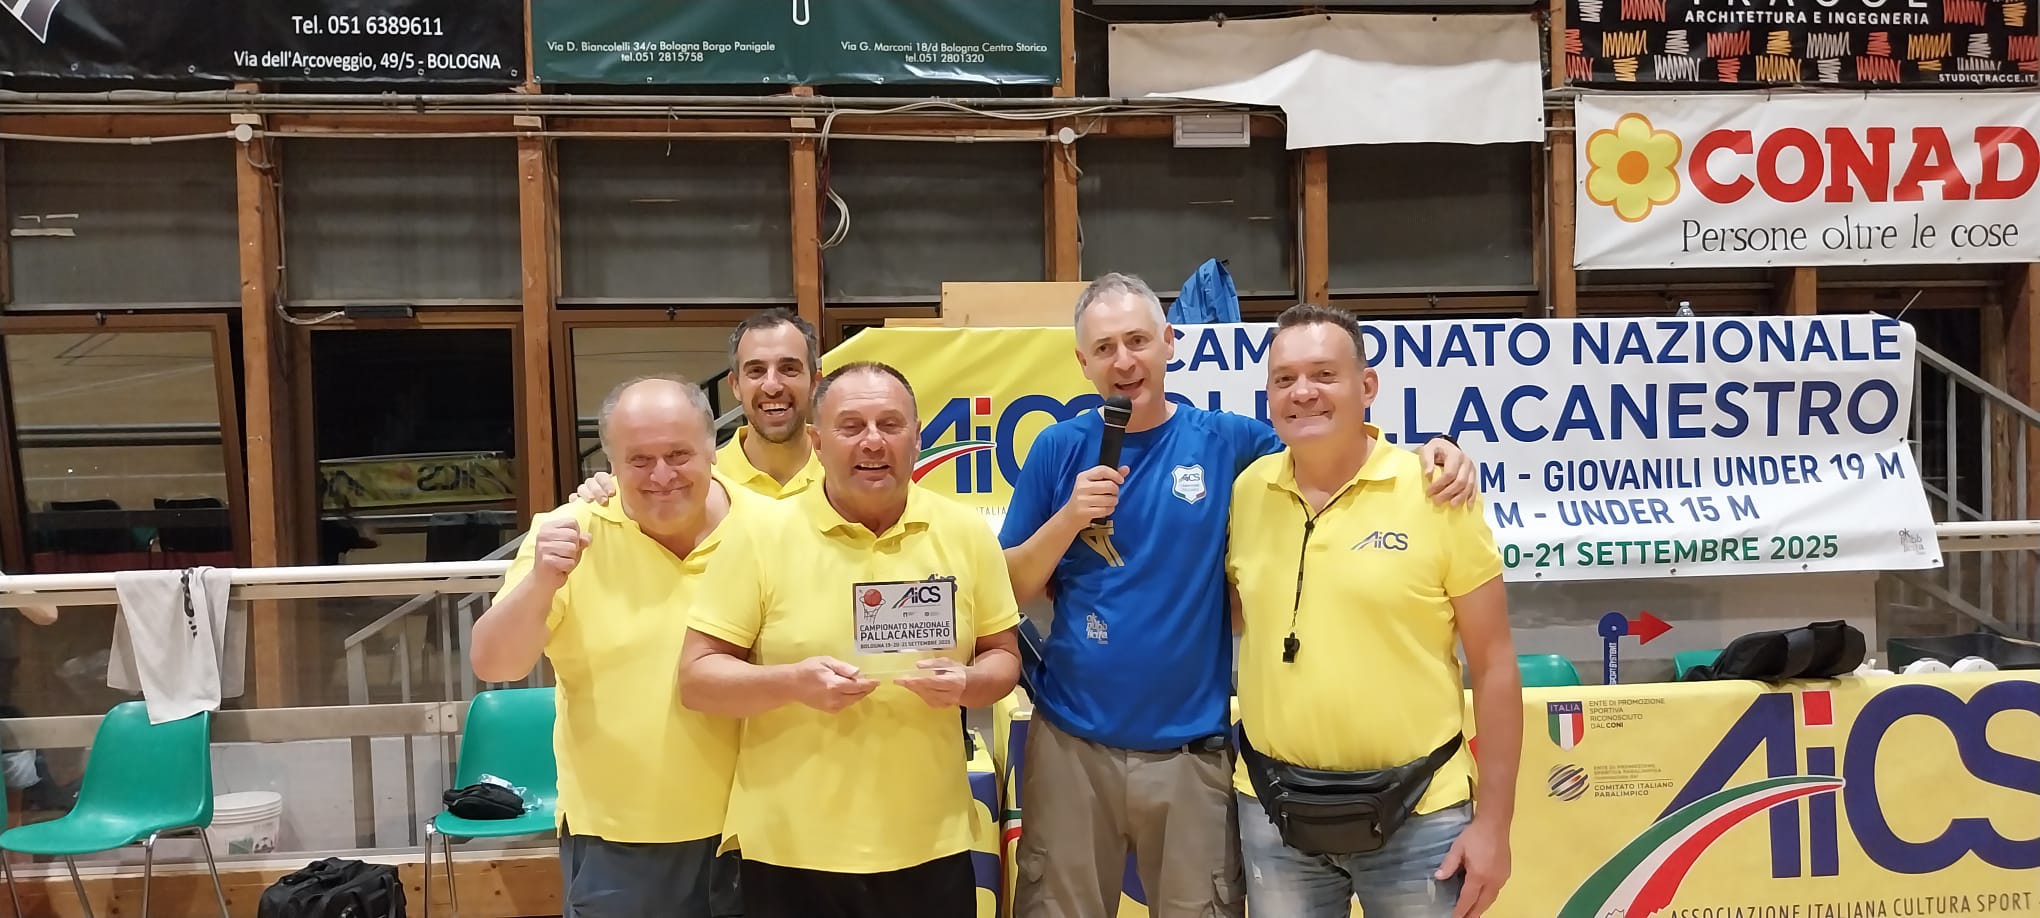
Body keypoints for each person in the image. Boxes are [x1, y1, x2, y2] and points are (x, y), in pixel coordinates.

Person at [999, 273, 1480, 918]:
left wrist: (1436, 451)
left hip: (1192, 749)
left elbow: (1333, 438)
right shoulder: (1057, 448)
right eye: (1105, 347)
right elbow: (1007, 589)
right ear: (1083, 362)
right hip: (1071, 741)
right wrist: (1068, 519)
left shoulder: (1229, 443)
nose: (1124, 361)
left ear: (1170, 343)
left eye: (1138, 340)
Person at [678, 361, 1022, 918]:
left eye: (890, 424)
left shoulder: (965, 533)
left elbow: (1003, 657)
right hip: (790, 848)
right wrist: (794, 683)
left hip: (929, 841)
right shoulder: (759, 535)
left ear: (918, 436)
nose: (873, 442)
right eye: (851, 426)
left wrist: (968, 683)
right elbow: (697, 679)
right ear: (817, 442)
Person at [1227, 304, 1520, 918]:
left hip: (1422, 817)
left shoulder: (1438, 492)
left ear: (1367, 386)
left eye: (1323, 374)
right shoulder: (1247, 492)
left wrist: (1495, 824)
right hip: (1274, 815)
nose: (1303, 392)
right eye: (1284, 379)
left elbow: (1494, 663)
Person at [470, 374, 750, 918]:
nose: (662, 474)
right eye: (639, 460)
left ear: (712, 447)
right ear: (610, 463)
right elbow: (495, 662)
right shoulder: (567, 532)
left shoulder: (770, 526)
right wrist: (541, 582)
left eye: (678, 454)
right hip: (621, 841)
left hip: (760, 829)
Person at [578, 308, 822, 504]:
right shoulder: (694, 478)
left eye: (789, 369)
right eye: (756, 371)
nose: (772, 386)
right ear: (735, 385)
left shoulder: (842, 471)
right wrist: (601, 496)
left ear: (815, 383)